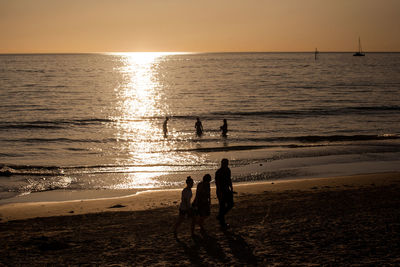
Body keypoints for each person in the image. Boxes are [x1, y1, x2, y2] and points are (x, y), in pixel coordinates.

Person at [215, 158, 234, 229]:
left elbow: (229, 179)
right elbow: (217, 184)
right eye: (225, 163)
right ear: (222, 164)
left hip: (227, 190)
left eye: (227, 163)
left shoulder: (228, 170)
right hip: (221, 191)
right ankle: (222, 223)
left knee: (231, 204)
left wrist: (231, 187)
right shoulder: (218, 172)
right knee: (222, 206)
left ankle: (220, 216)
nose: (226, 164)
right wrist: (220, 192)